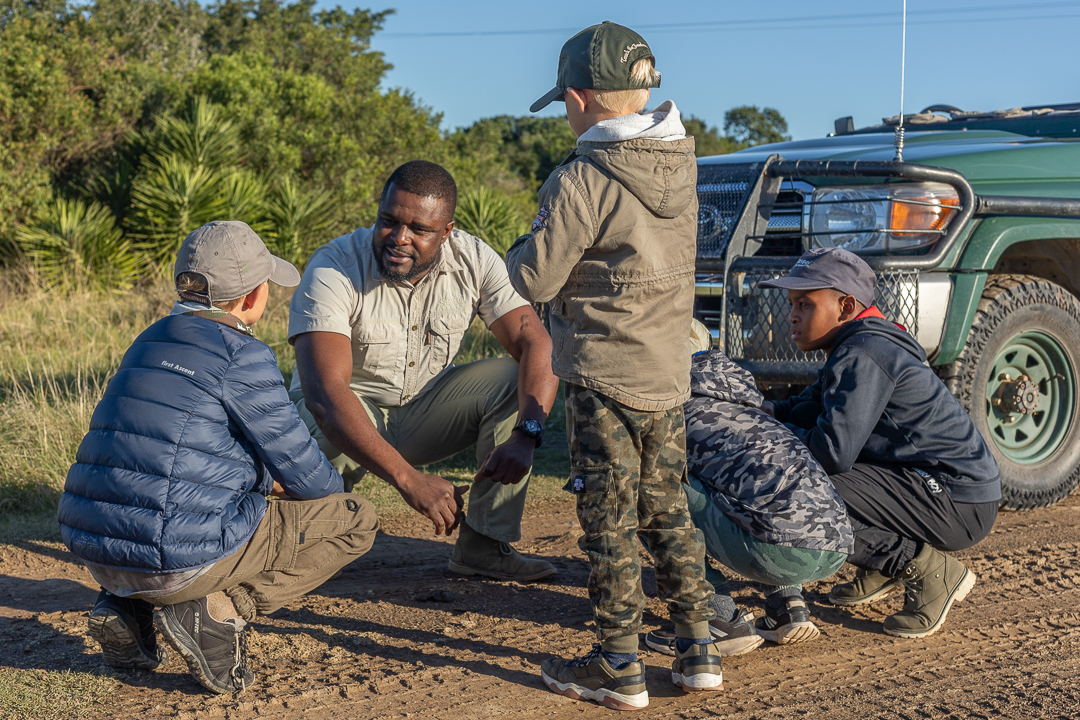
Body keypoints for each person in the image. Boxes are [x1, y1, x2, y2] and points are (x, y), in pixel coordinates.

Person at [58, 221, 378, 695]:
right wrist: (294, 489)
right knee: (357, 520)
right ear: (251, 297)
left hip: (98, 549)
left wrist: (254, 478)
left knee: (172, 511)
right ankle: (219, 611)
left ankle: (128, 607)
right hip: (173, 560)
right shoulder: (243, 354)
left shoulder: (148, 339)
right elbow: (312, 480)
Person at [507, 22, 723, 711]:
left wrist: (519, 247)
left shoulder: (581, 178)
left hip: (602, 375)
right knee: (667, 508)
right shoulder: (684, 165)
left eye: (566, 101)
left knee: (608, 518)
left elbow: (536, 281)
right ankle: (697, 650)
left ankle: (618, 665)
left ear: (581, 98)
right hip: (666, 371)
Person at [288, 160, 560, 583]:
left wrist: (527, 435)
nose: (399, 238)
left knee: (514, 380)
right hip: (347, 415)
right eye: (389, 221)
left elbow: (535, 341)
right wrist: (407, 479)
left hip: (424, 410)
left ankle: (485, 544)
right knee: (325, 414)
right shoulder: (334, 266)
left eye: (419, 229)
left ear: (446, 232)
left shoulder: (473, 259)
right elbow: (325, 394)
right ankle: (307, 540)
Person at [757, 247, 1000, 638]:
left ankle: (924, 569)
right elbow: (807, 407)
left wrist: (769, 441)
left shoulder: (864, 352)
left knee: (806, 490)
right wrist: (764, 411)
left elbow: (831, 451)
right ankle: (881, 567)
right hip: (941, 485)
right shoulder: (857, 344)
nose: (792, 315)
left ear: (846, 306)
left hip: (958, 499)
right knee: (820, 477)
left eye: (805, 303)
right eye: (791, 304)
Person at [645, 324, 853, 656]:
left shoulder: (675, 410)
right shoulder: (745, 404)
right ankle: (787, 604)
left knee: (648, 487)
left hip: (780, 550)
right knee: (751, 492)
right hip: (837, 545)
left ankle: (716, 618)